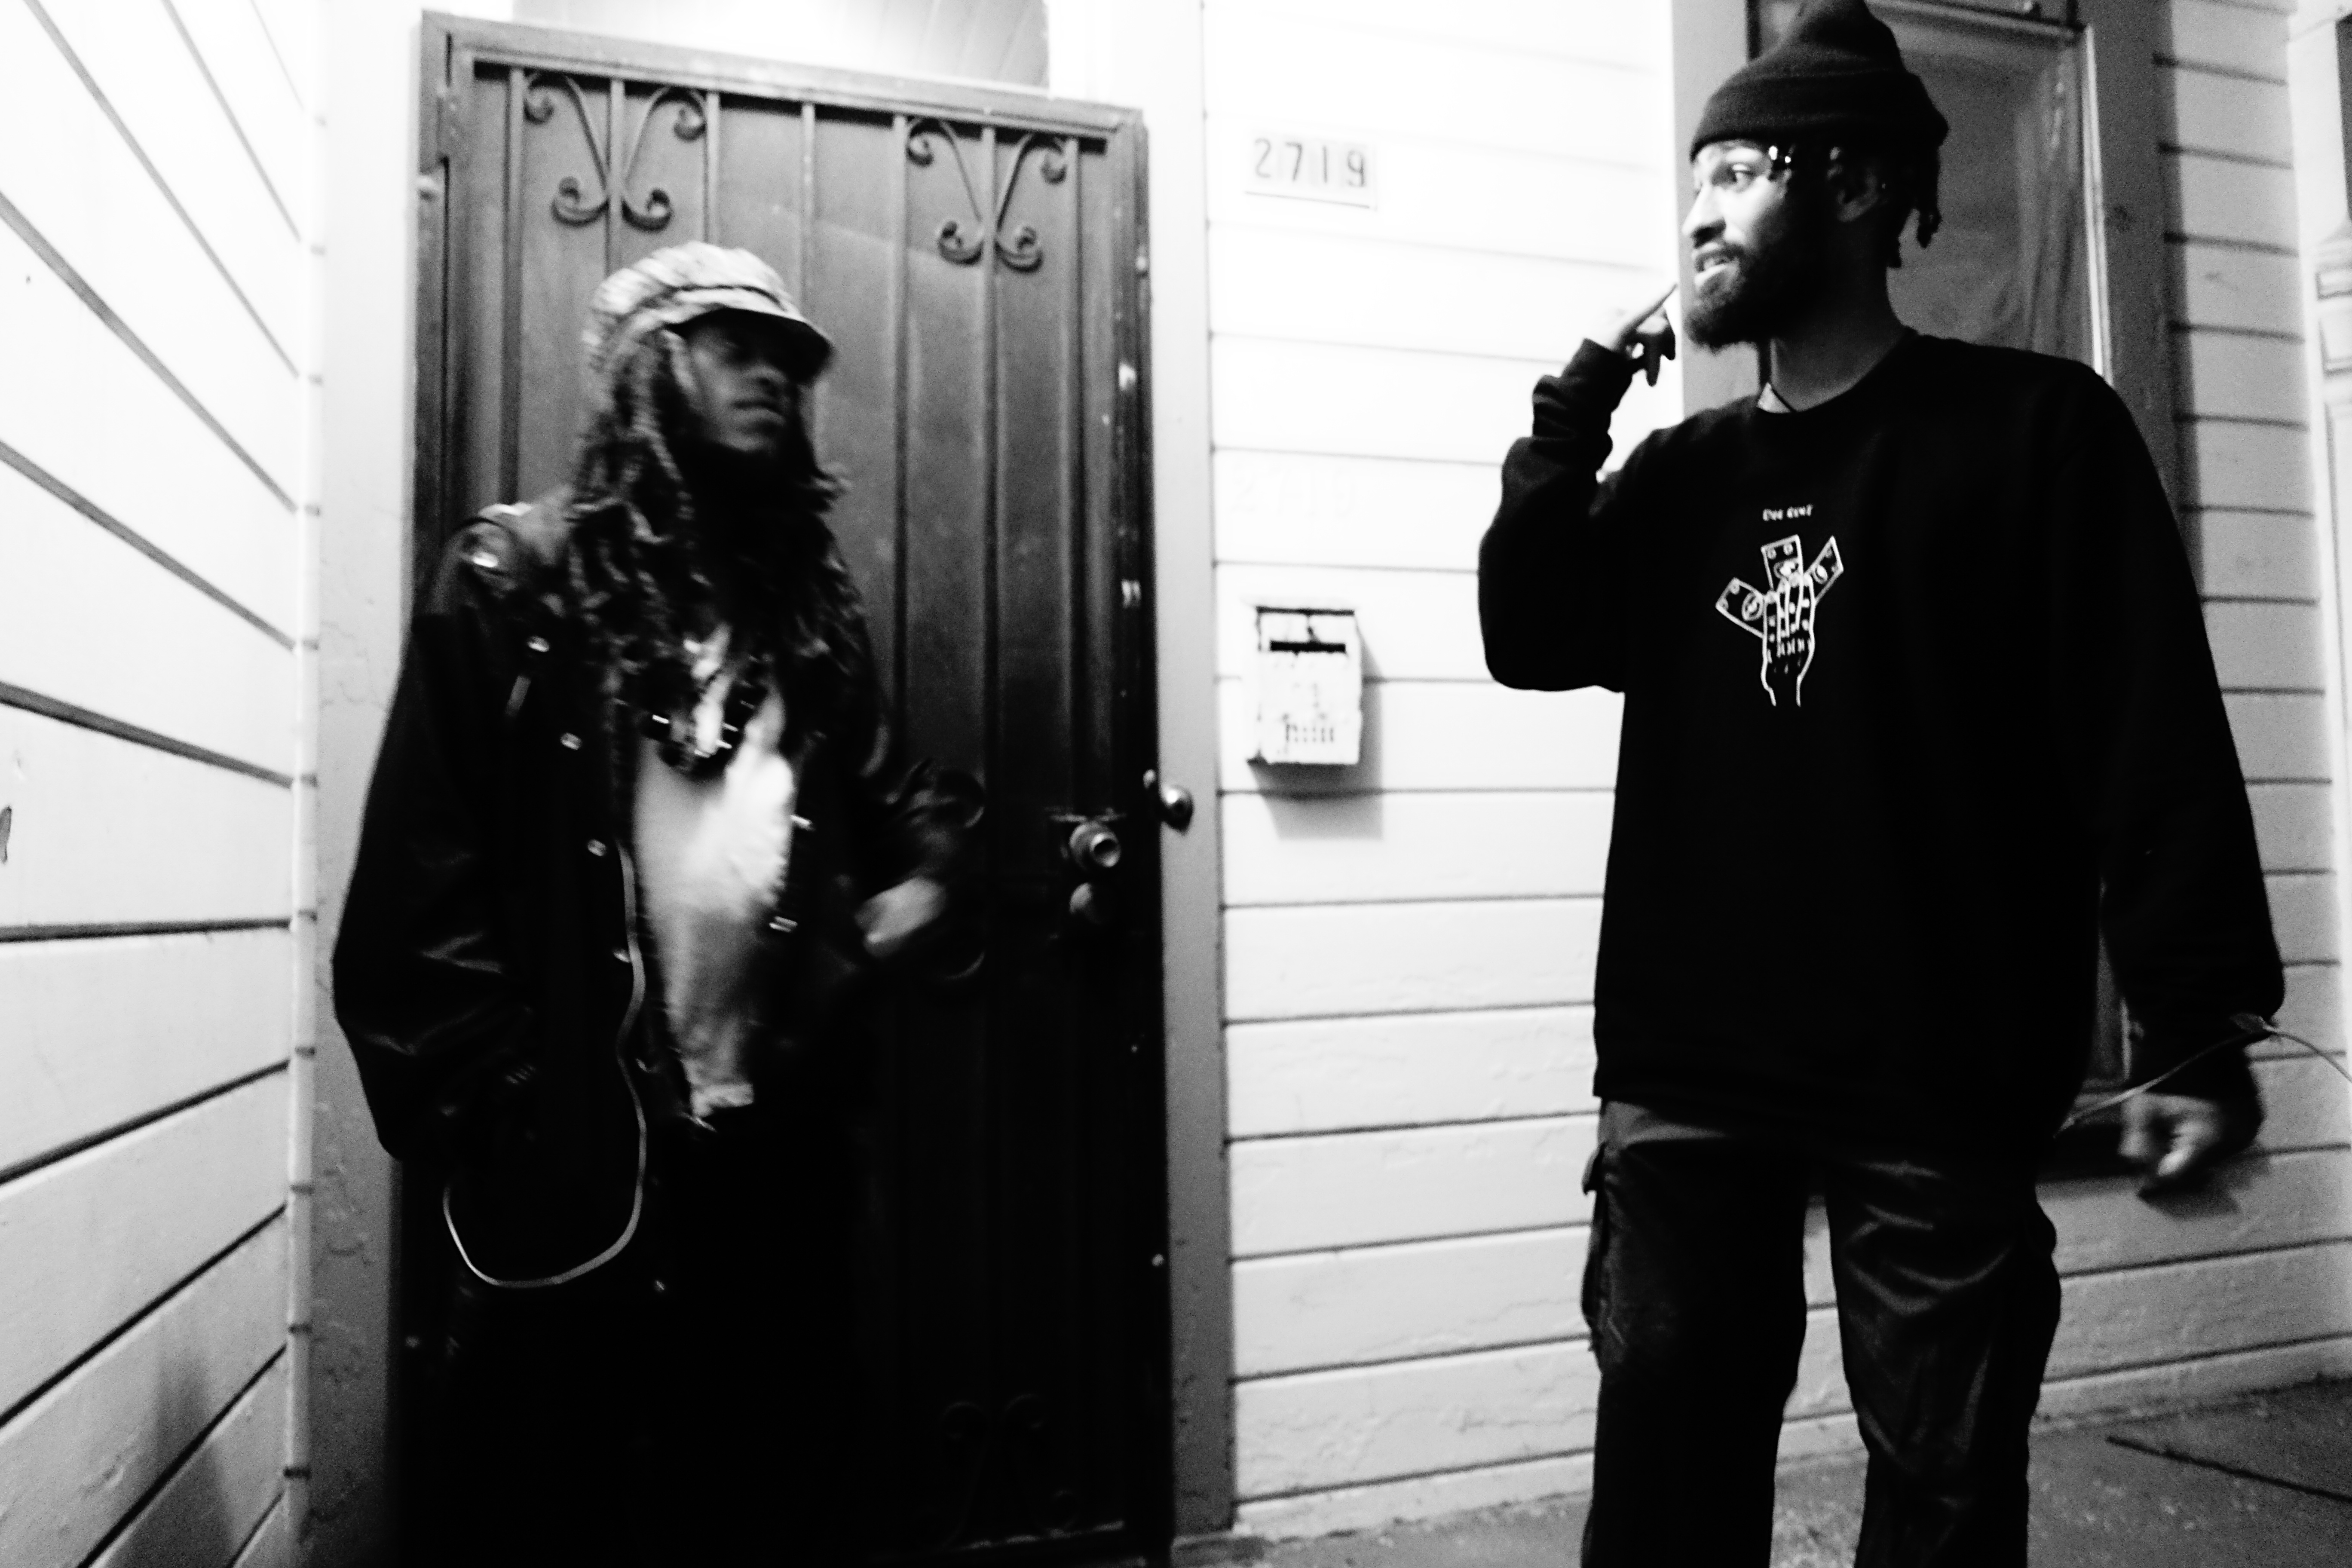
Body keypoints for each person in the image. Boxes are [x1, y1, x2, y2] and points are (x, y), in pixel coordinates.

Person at [1477, 2, 2282, 1563]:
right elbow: (1533, 634)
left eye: (1737, 174)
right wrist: (1567, 427)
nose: (1700, 214)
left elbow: (2151, 737)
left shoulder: (2035, 435)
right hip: (1691, 1064)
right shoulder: (1679, 479)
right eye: (1693, 181)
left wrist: (2194, 1028)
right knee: (1665, 1486)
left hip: (1936, 1064)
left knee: (1946, 1492)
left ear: (1853, 185)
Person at [334, 242, 980, 1564]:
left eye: (790, 360)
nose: (774, 376)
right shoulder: (510, 585)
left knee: (759, 1496)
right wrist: (518, 1123)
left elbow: (889, 794)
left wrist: (927, 873)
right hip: (585, 1157)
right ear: (645, 371)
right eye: (735, 346)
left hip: (775, 1153)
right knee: (564, 1505)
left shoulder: (806, 611)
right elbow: (410, 918)